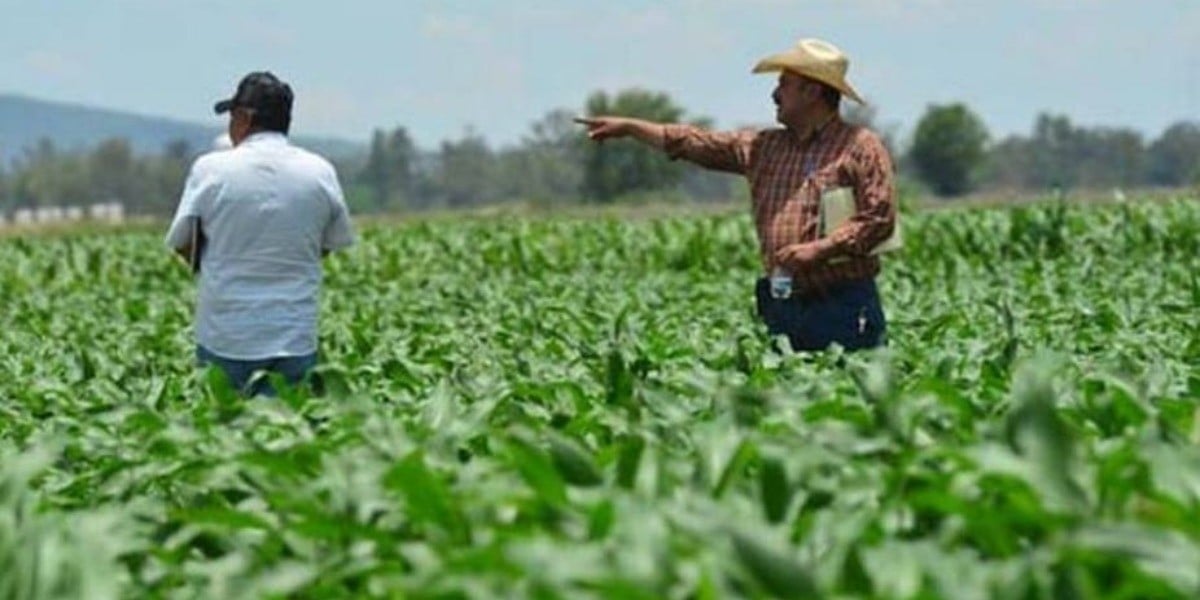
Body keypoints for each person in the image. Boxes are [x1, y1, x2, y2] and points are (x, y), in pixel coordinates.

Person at [577, 38, 897, 352]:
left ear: (812, 91)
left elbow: (879, 219)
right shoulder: (764, 147)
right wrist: (632, 128)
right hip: (785, 303)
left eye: (784, 84)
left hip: (842, 304)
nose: (774, 94)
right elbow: (693, 142)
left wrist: (820, 250)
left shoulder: (860, 147)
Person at [165, 71, 356, 395]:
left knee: (223, 437)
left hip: (225, 335)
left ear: (244, 118)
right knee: (289, 436)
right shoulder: (319, 172)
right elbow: (327, 244)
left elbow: (184, 243)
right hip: (293, 337)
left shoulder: (210, 170)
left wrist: (222, 265)